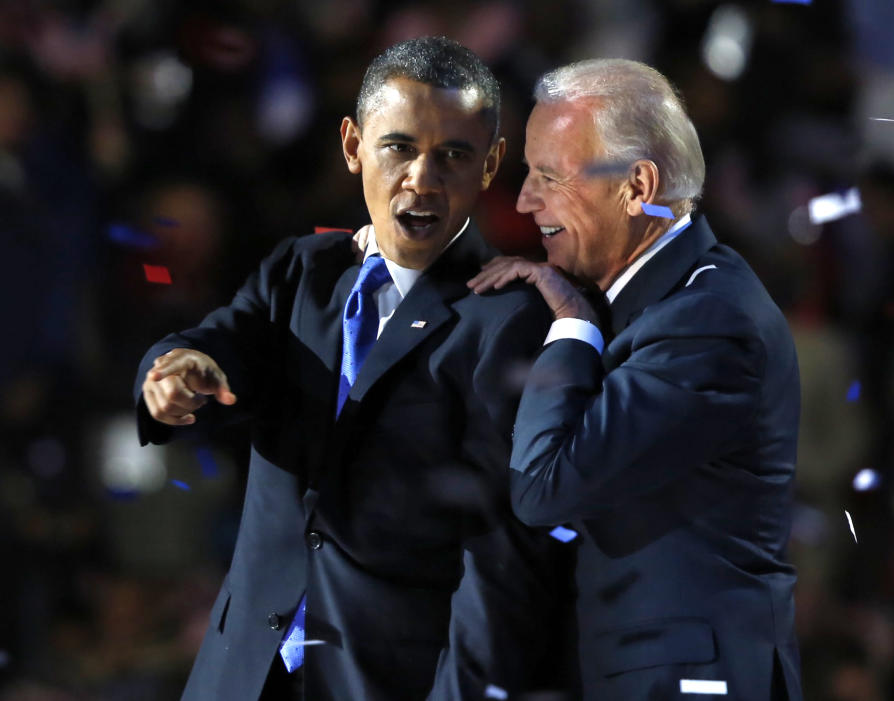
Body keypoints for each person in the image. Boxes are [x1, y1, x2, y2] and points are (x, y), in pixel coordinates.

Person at [136, 37, 576, 701]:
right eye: (399, 146)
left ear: (490, 166)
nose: (421, 179)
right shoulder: (300, 272)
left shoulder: (510, 319)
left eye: (453, 155)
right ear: (353, 145)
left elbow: (502, 550)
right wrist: (174, 367)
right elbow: (226, 342)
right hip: (244, 672)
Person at [470, 58, 803, 700]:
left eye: (548, 176)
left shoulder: (705, 319)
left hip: (692, 682)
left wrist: (570, 322)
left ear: (636, 185)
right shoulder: (667, 300)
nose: (523, 201)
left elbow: (544, 486)